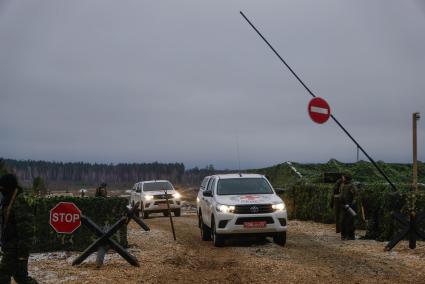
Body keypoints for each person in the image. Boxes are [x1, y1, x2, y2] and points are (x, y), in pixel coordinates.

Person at [0, 173, 38, 284]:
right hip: (10, 246)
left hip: (16, 248)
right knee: (21, 277)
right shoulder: (8, 200)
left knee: (2, 274)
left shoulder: (20, 202)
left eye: (2, 189)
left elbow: (27, 231)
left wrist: (22, 254)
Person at [338, 176, 357, 240]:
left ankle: (350, 236)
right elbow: (340, 193)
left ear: (346, 178)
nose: (342, 178)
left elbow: (355, 195)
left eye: (343, 177)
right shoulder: (342, 185)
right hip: (343, 206)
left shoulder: (351, 186)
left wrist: (352, 204)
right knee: (342, 221)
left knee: (350, 222)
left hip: (350, 206)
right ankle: (343, 235)